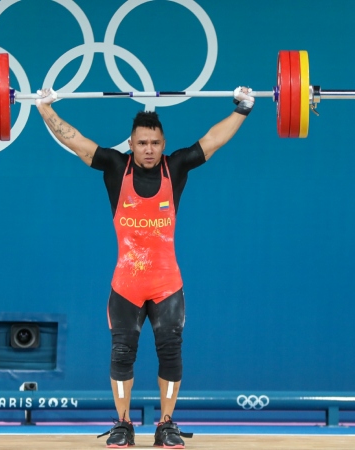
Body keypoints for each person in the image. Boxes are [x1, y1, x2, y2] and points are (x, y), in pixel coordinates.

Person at [35, 87, 254, 448]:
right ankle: (123, 424)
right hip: (127, 285)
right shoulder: (114, 167)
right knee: (122, 353)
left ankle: (166, 423)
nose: (148, 149)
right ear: (132, 144)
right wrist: (45, 109)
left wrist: (243, 109)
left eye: (154, 142)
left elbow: (213, 140)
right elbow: (76, 142)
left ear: (163, 142)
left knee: (171, 351)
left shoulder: (177, 166)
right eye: (141, 143)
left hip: (166, 283)